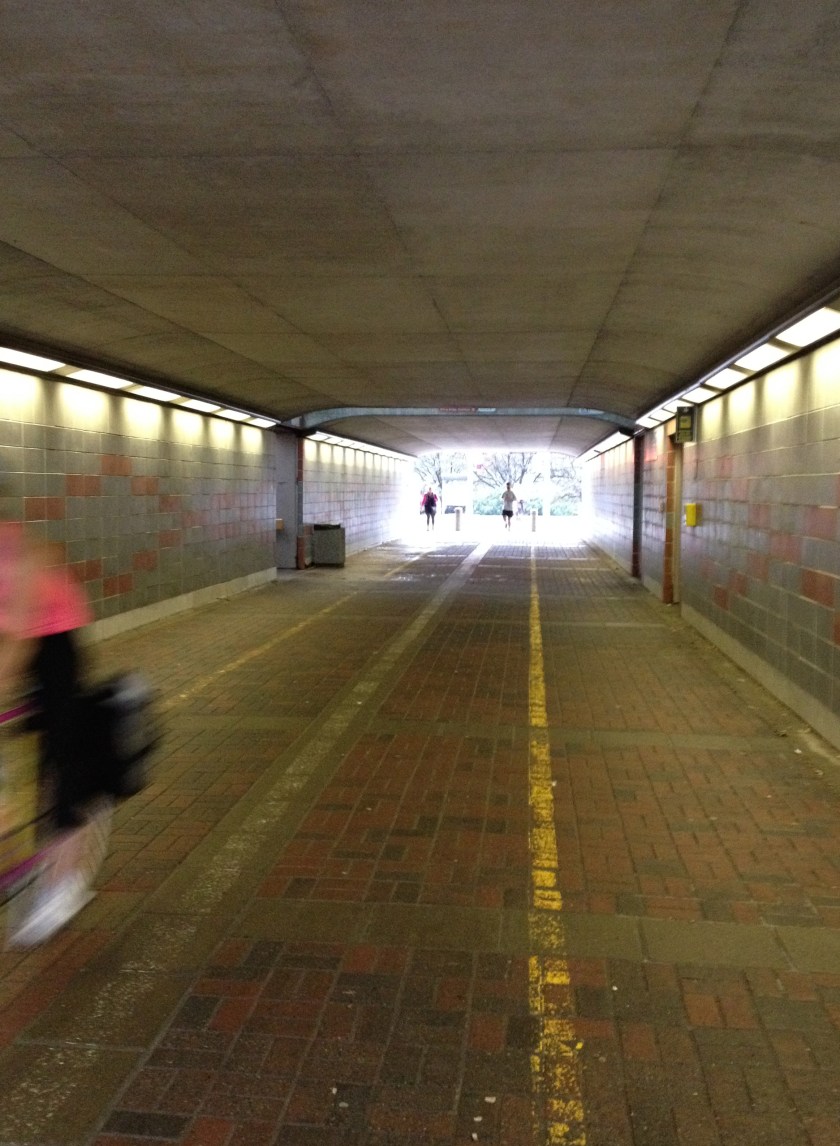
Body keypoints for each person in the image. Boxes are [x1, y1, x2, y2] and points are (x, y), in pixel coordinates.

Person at [0, 516, 97, 944]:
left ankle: (65, 885)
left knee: (59, 768)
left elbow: (21, 636)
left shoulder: (16, 551)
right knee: (32, 761)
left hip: (56, 651)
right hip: (22, 651)